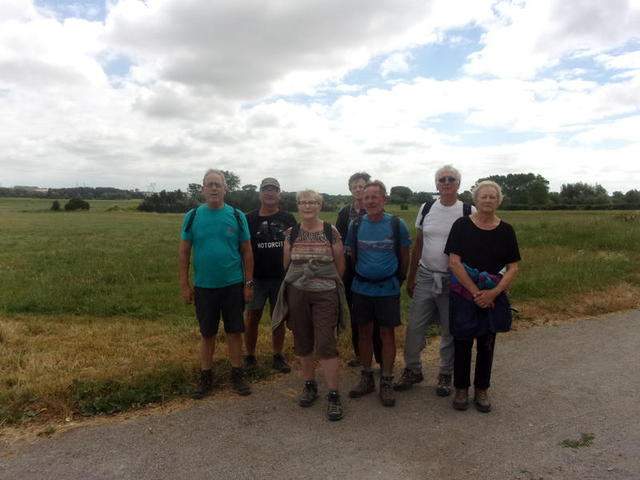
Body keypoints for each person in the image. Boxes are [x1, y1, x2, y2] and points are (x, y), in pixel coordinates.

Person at [394, 165, 474, 397]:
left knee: (450, 329)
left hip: (455, 280)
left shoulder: (468, 210)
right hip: (426, 275)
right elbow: (418, 244)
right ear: (436, 184)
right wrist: (411, 278)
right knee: (415, 328)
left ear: (458, 183)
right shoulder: (427, 208)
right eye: (441, 179)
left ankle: (445, 374)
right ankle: (413, 369)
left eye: (451, 179)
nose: (446, 183)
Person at [444, 180, 520, 412]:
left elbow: (513, 267)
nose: (488, 200)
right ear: (476, 200)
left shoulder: (506, 230)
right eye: (483, 196)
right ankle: (460, 389)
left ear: (498, 201)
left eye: (492, 197)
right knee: (462, 341)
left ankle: (482, 389)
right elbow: (454, 262)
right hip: (465, 293)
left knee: (487, 343)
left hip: (493, 295)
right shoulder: (461, 225)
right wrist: (476, 292)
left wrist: (494, 293)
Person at [179, 169, 254, 399]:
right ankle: (206, 376)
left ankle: (237, 374)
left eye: (217, 185)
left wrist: (248, 283)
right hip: (204, 286)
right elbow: (184, 253)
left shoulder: (237, 216)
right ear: (202, 189)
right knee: (207, 333)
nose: (213, 189)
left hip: (232, 284)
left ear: (225, 189)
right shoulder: (192, 216)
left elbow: (247, 252)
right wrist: (185, 284)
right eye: (209, 184)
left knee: (234, 332)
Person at [272, 190, 347, 421]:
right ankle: (310, 385)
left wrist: (328, 284)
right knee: (302, 340)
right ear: (298, 206)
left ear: (319, 205)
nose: (307, 206)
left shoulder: (330, 231)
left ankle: (333, 394)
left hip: (325, 293)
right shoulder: (291, 233)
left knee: (325, 342)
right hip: (297, 293)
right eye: (303, 202)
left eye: (312, 202)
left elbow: (340, 264)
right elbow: (287, 264)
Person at [345, 180, 410, 407]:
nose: (370, 201)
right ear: (362, 201)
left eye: (375, 197)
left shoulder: (396, 224)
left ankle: (387, 380)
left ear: (384, 199)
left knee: (387, 335)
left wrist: (398, 279)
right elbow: (353, 256)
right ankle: (366, 377)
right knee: (364, 333)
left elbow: (404, 257)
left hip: (388, 288)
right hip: (362, 288)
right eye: (366, 198)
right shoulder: (355, 225)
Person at [244, 178, 297, 373]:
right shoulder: (248, 218)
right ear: (260, 194)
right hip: (256, 277)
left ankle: (277, 355)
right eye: (265, 189)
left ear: (279, 194)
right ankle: (249, 356)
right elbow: (243, 248)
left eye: (273, 190)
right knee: (252, 316)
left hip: (281, 277)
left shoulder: (288, 218)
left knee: (278, 317)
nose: (269, 193)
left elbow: (295, 246)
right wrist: (247, 280)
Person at [335, 172, 382, 368]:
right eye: (354, 186)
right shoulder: (345, 213)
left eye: (361, 186)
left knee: (377, 314)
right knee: (356, 313)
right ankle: (360, 355)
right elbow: (337, 241)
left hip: (374, 267)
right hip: (350, 269)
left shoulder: (378, 211)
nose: (358, 189)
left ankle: (380, 356)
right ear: (350, 190)